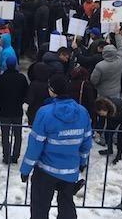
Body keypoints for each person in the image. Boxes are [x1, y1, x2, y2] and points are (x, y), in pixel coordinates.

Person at [20, 73, 92, 219]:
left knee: (40, 209)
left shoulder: (45, 113)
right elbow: (86, 142)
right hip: (70, 171)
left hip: (45, 171)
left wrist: (26, 169)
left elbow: (35, 145)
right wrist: (82, 163)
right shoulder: (82, 112)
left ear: (52, 90)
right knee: (66, 208)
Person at [0, 55, 29, 164]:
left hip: (5, 111)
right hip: (17, 111)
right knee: (17, 134)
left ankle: (6, 156)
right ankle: (15, 156)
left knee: (5, 135)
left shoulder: (1, 79)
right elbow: (26, 93)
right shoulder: (21, 78)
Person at [90, 29, 122, 100]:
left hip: (102, 93)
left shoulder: (100, 66)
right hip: (116, 92)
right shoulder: (120, 60)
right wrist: (117, 35)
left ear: (103, 53)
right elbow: (121, 48)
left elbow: (94, 81)